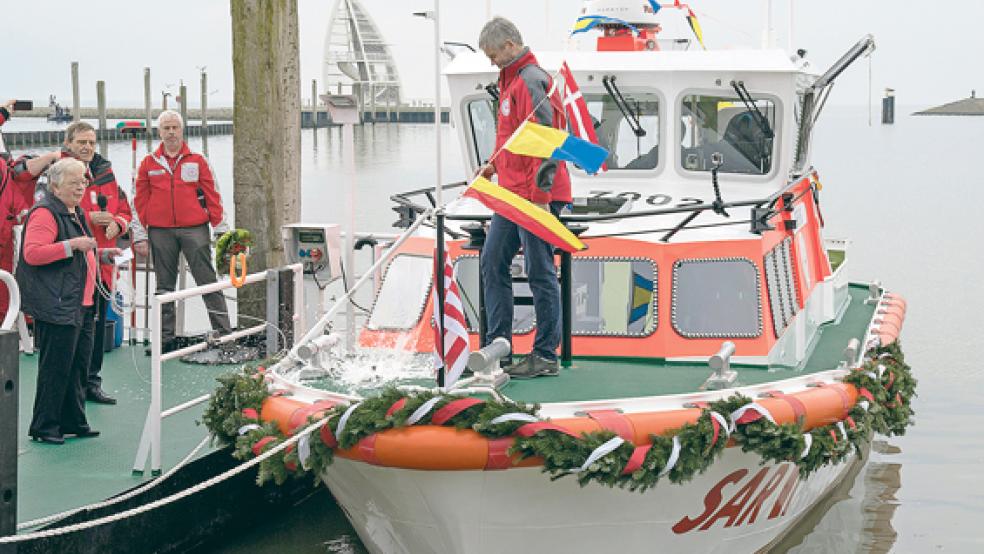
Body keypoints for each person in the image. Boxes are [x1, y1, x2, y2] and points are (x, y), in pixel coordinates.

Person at [476, 17, 573, 379]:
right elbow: (514, 139)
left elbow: (547, 140)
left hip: (535, 196)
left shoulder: (531, 80)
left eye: (494, 53)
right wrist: (493, 166)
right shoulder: (511, 81)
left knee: (540, 271)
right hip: (513, 193)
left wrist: (541, 197)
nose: (491, 61)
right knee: (492, 262)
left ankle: (545, 353)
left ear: (511, 45)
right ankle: (498, 344)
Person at [15, 158, 120, 444]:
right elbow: (33, 253)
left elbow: (80, 252)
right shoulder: (45, 213)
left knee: (78, 365)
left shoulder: (75, 213)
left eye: (83, 182)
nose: (82, 187)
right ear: (57, 185)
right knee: (56, 367)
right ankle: (45, 425)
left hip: (81, 302)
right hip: (58, 301)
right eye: (75, 183)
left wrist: (102, 255)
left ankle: (73, 420)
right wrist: (73, 245)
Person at [134, 110, 230, 353]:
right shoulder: (148, 163)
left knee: (207, 281)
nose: (171, 132)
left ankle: (225, 334)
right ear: (159, 132)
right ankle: (165, 341)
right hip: (160, 232)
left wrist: (221, 229)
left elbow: (212, 195)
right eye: (166, 128)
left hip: (194, 229)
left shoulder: (197, 160)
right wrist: (140, 235)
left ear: (182, 129)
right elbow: (139, 202)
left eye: (175, 127)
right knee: (164, 287)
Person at [59, 121, 138, 404]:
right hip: (75, 267)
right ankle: (73, 386)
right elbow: (56, 209)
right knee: (75, 330)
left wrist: (118, 223)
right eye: (81, 142)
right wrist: (89, 217)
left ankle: (92, 383)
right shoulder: (60, 174)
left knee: (96, 326)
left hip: (104, 265)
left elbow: (125, 208)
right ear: (68, 144)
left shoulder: (105, 171)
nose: (87, 147)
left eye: (91, 142)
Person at [1, 99, 62, 322]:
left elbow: (23, 172)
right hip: (6, 236)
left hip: (7, 240)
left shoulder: (13, 175)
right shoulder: (11, 174)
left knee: (6, 291)